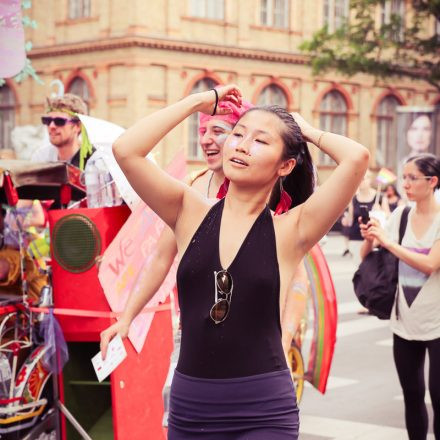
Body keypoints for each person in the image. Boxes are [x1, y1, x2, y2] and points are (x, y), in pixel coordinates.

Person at [110, 85, 369, 439]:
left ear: (286, 164)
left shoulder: (292, 230)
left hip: (262, 408)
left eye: (261, 141)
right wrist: (198, 103)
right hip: (191, 405)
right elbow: (126, 151)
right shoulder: (187, 209)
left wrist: (305, 130)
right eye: (238, 134)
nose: (242, 146)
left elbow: (356, 158)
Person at [100, 99, 309, 364]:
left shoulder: (268, 197)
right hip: (199, 344)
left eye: (219, 131)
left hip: (259, 353)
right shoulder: (192, 189)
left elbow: (298, 279)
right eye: (202, 132)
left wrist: (284, 340)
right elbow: (161, 256)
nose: (207, 140)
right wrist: (127, 317)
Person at [360, 153, 440, 440]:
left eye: (411, 178)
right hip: (403, 321)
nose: (404, 184)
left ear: (432, 182)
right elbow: (368, 256)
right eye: (403, 177)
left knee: (439, 398)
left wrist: (389, 242)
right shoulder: (401, 215)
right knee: (412, 395)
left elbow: (431, 264)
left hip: (437, 323)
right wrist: (371, 239)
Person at [31, 93, 94, 170]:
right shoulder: (41, 158)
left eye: (59, 121)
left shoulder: (94, 161)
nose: (52, 126)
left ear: (78, 126)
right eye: (47, 120)